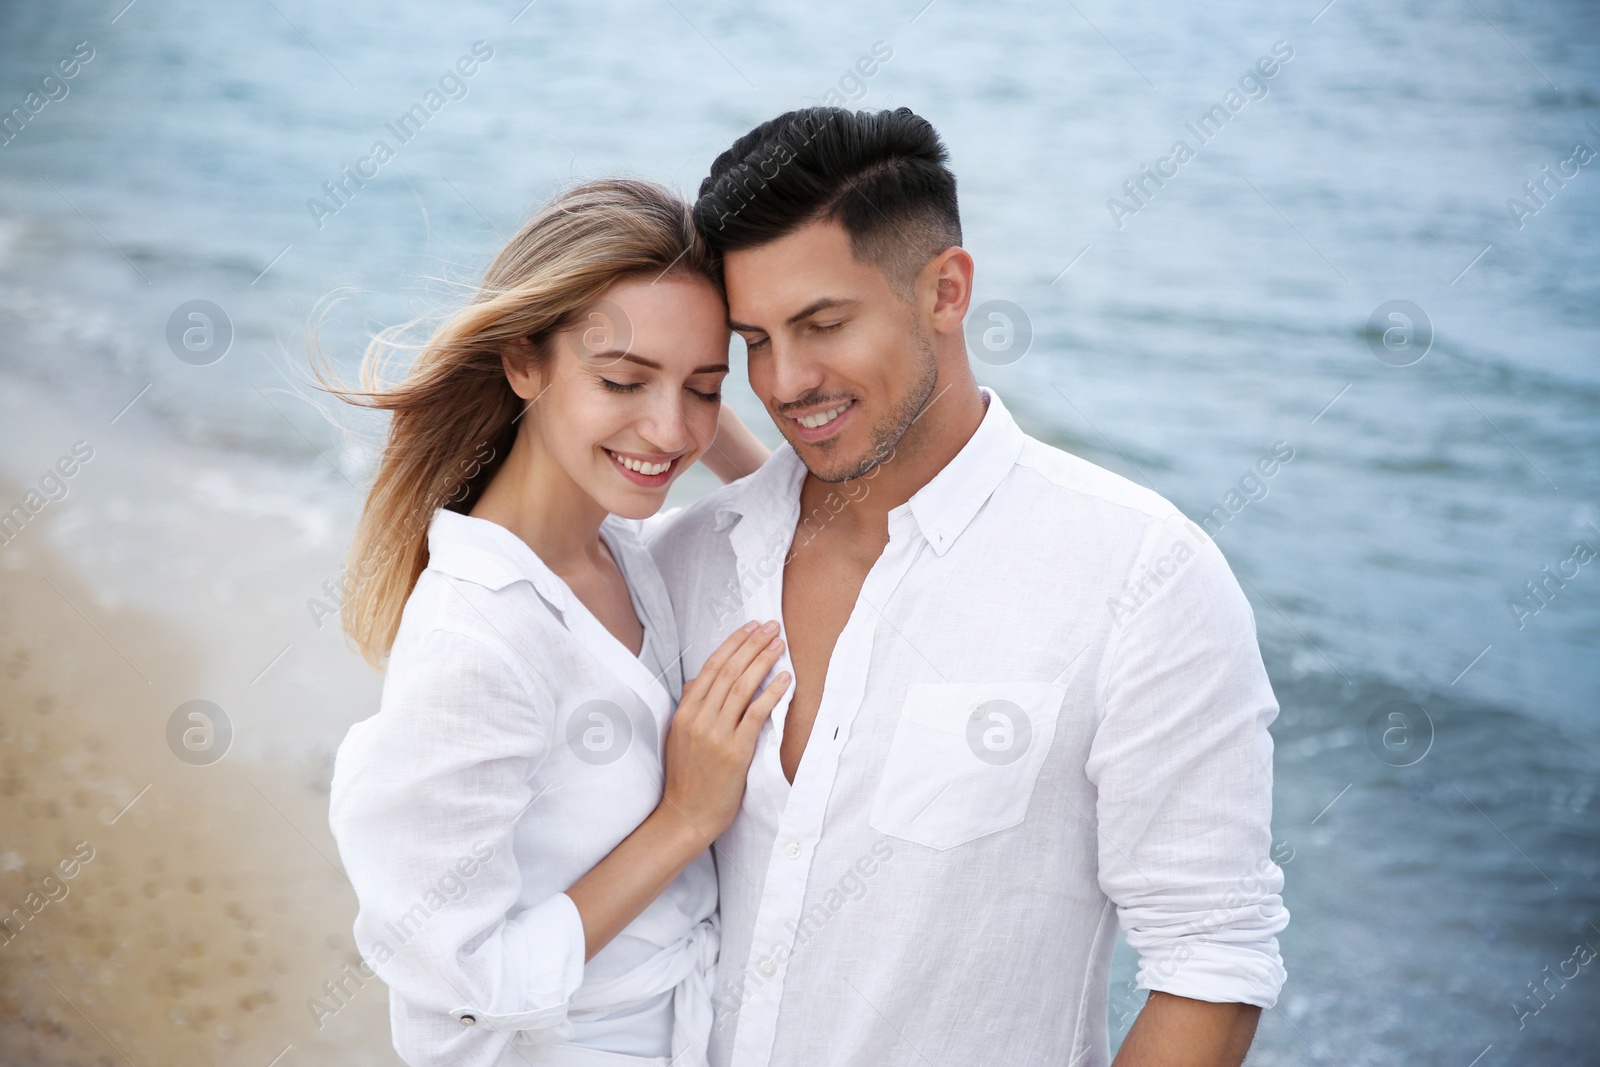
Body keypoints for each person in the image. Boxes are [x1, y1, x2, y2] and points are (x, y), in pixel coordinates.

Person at [646, 107, 1289, 1067]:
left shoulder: (1142, 575)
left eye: (824, 324)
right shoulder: (687, 559)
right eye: (754, 340)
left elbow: (1211, 960)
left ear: (946, 290)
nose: (785, 380)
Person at [324, 178, 786, 1067]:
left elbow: (804, 520)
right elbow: (460, 991)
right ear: (523, 362)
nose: (670, 429)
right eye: (621, 379)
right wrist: (684, 820)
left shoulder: (628, 553)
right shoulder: (478, 636)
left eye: (704, 390)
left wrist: (678, 376)